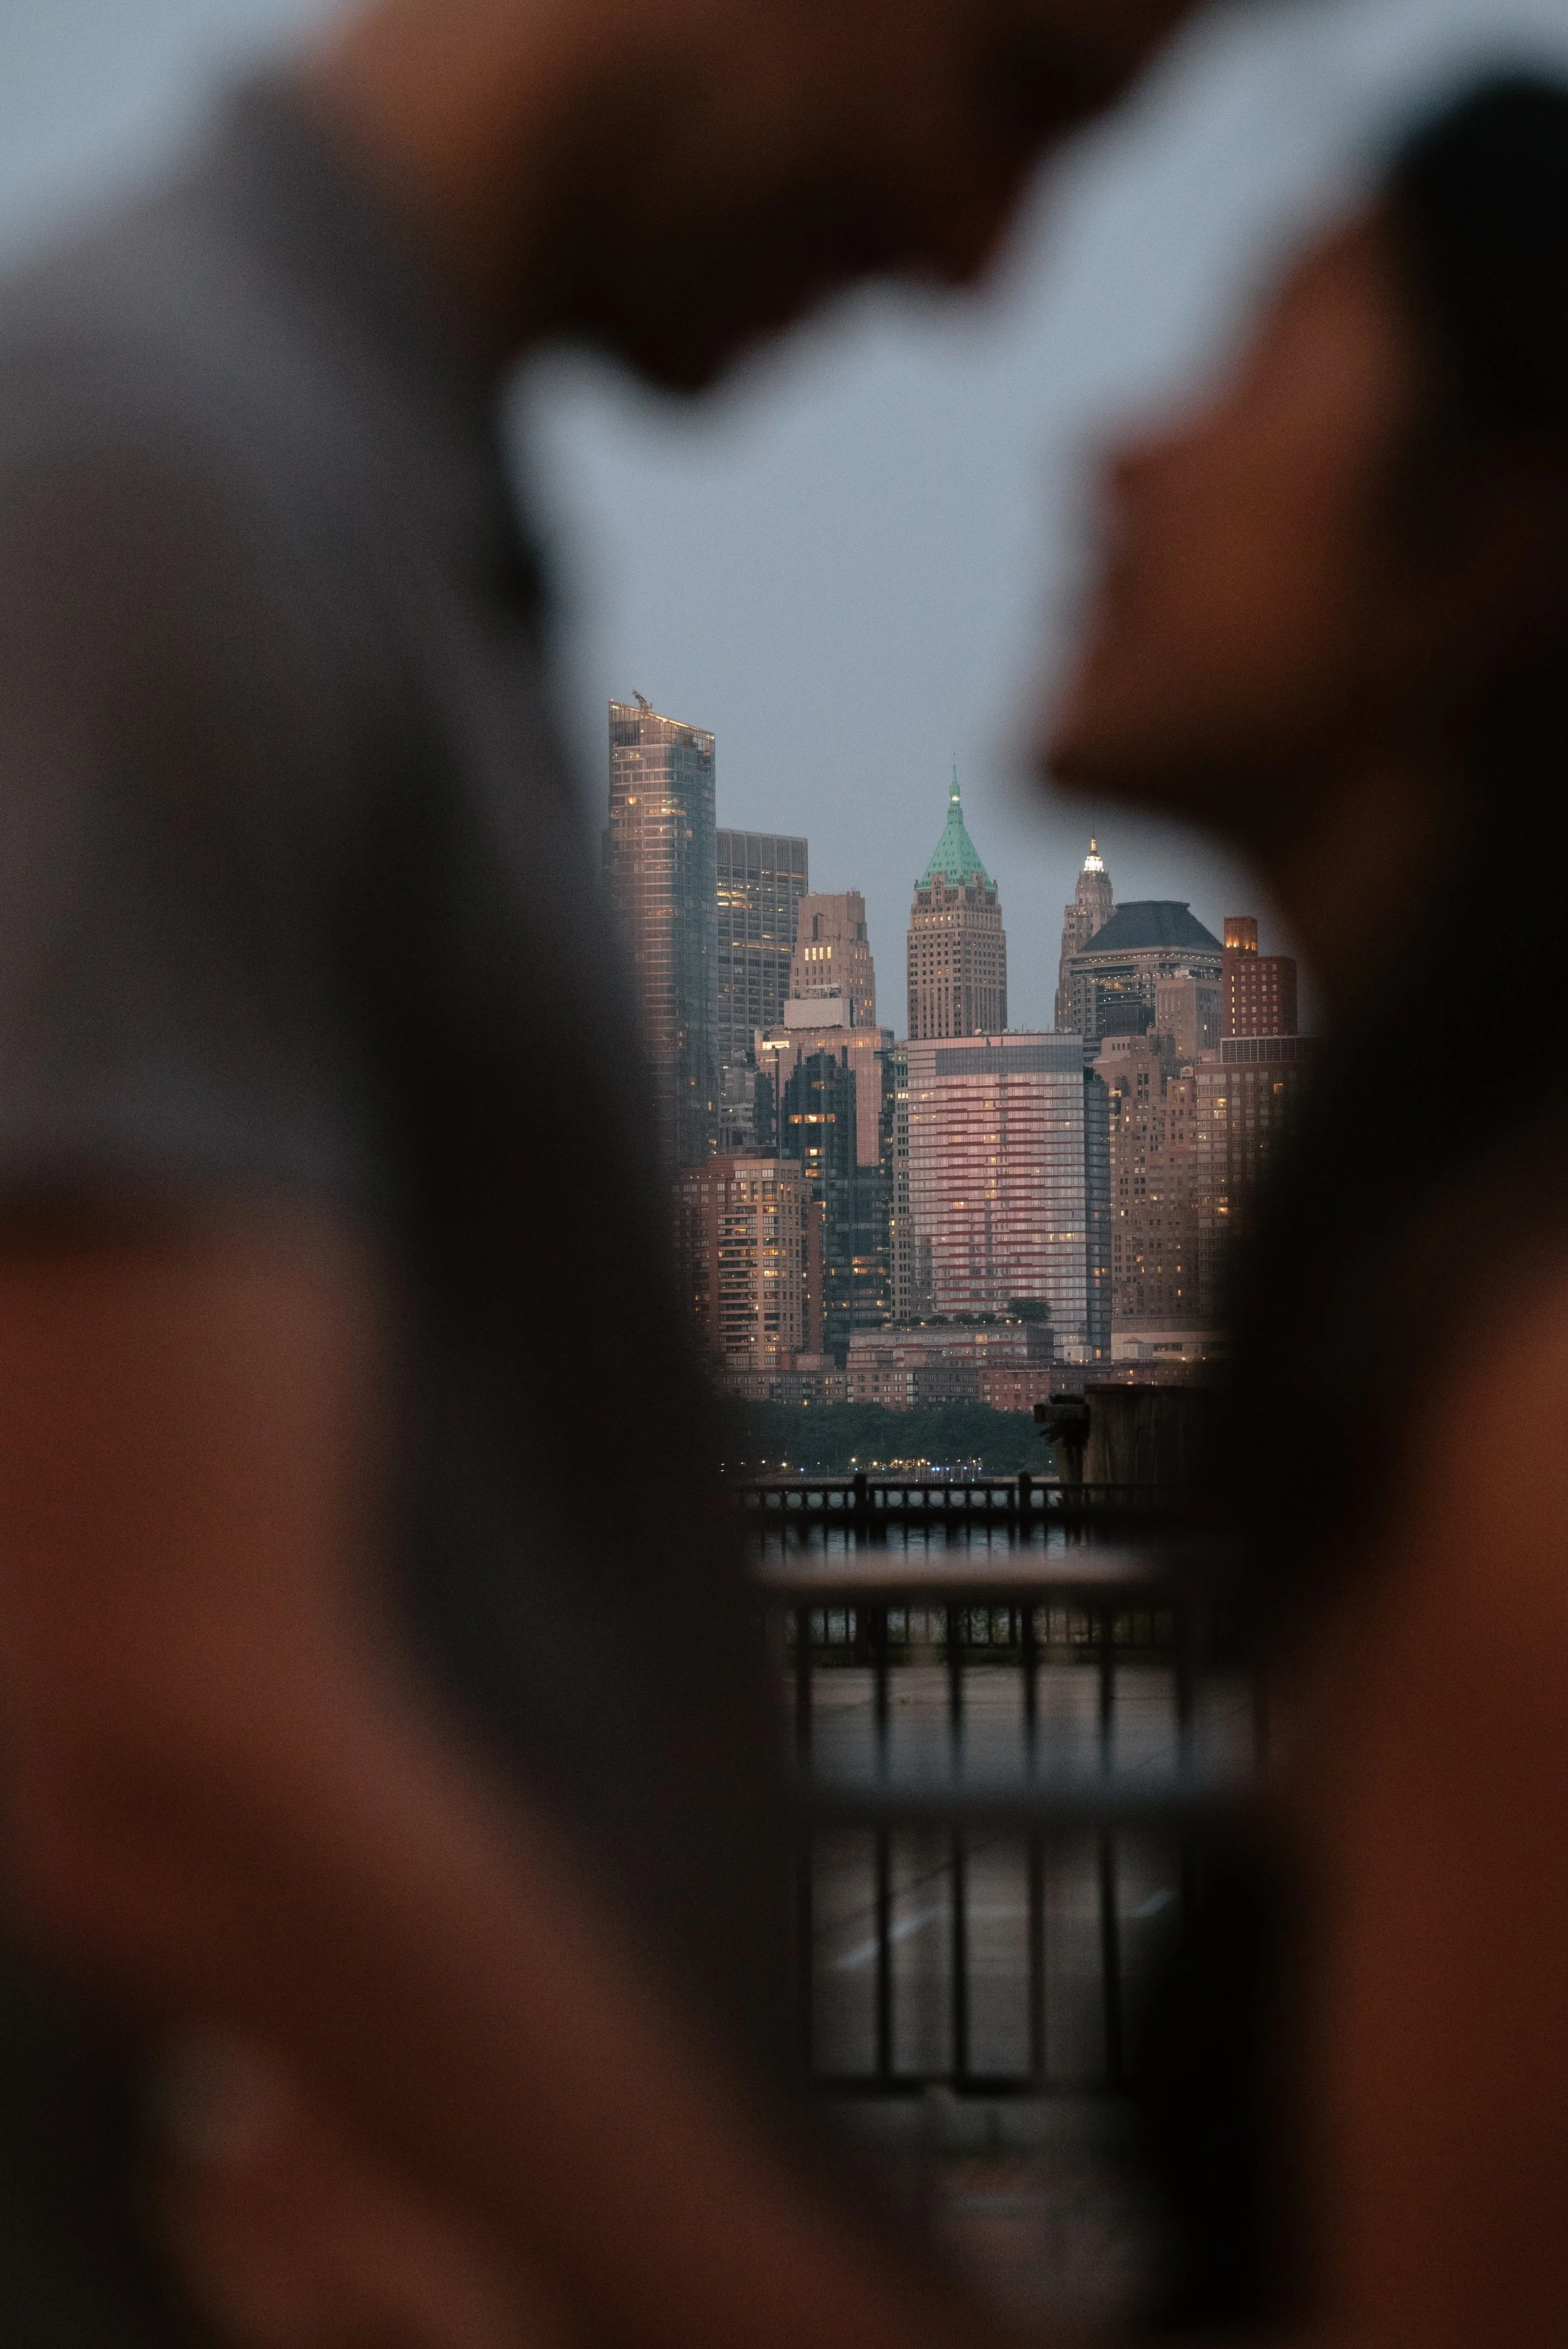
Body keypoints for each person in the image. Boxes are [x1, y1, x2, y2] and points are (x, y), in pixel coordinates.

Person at [0, 2, 1199, 2344]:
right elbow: (167, 1747)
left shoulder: (351, 502)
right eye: (1017, 87)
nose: (981, 263)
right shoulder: (160, 470)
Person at [1047, 70, 1568, 2344]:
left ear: (1488, 543)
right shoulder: (1444, 1297)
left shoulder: (1531, 1437)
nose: (1119, 452)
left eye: (1260, 350)